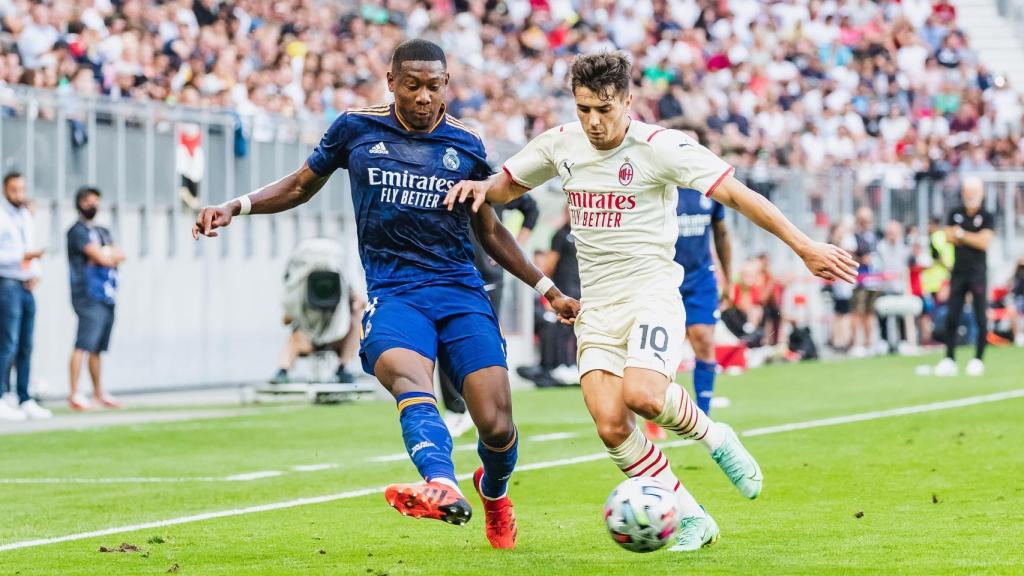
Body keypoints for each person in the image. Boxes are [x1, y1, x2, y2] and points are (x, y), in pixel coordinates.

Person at [446, 51, 857, 552]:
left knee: (643, 395)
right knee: (611, 424)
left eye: (604, 109)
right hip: (596, 308)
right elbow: (506, 188)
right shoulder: (561, 143)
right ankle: (692, 516)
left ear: (628, 101)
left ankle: (714, 437)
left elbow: (739, 195)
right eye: (583, 109)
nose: (593, 122)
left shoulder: (663, 147)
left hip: (651, 294)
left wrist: (805, 246)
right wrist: (480, 186)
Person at [193, 40, 580, 550]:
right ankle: (440, 483)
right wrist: (234, 206)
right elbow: (299, 186)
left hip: (460, 291)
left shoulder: (465, 143)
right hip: (396, 293)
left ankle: (494, 491)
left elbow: (489, 231)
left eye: (434, 86)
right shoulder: (355, 128)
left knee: (497, 424)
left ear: (447, 86)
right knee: (407, 378)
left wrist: (547, 289)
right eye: (413, 85)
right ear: (391, 81)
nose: (424, 97)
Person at [440, 193, 539, 438]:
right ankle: (456, 409)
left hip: (487, 277)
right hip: (448, 273)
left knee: (485, 343)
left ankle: (491, 410)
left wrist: (511, 247)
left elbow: (531, 208)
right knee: (445, 341)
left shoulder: (490, 179)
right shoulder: (437, 173)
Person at [674, 186, 732, 414]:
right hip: (665, 277)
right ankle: (654, 413)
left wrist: (727, 277)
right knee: (665, 348)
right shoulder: (661, 183)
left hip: (701, 279)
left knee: (704, 339)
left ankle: (703, 413)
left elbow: (722, 234)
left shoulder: (707, 187)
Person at [67, 186, 125, 411]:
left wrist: (106, 256)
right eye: (90, 201)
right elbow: (99, 256)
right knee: (83, 343)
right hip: (87, 294)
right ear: (81, 203)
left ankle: (98, 392)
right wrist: (104, 256)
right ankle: (74, 393)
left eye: (96, 201)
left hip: (107, 294)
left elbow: (119, 255)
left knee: (97, 347)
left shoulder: (102, 230)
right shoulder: (77, 231)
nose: (94, 206)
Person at [0, 171, 50, 420]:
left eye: (22, 189)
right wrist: (21, 259)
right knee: (7, 342)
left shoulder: (25, 216)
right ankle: (1, 395)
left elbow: (30, 247)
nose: (19, 194)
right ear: (5, 191)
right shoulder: (2, 217)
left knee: (26, 344)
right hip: (6, 282)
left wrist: (35, 271)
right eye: (14, 190)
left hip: (25, 284)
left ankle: (24, 397)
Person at [934, 177, 993, 377]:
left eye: (974, 191)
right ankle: (949, 357)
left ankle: (978, 358)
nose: (971, 195)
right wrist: (968, 236)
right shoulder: (955, 213)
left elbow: (984, 242)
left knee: (980, 316)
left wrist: (962, 235)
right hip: (958, 273)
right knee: (952, 315)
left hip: (977, 273)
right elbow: (948, 235)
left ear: (981, 193)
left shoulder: (987, 215)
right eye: (968, 191)